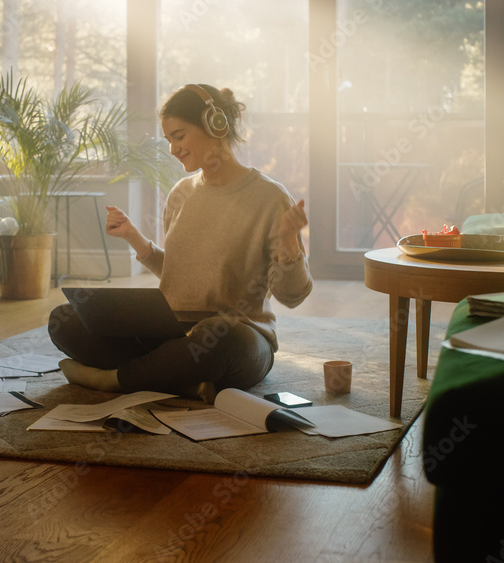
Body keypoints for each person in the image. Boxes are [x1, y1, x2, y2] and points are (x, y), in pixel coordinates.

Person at [48, 83, 313, 402]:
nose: (173, 149)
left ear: (215, 125)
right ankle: (178, 380)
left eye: (179, 135)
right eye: (168, 139)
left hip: (239, 339)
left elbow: (293, 296)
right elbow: (181, 275)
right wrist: (135, 238)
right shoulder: (181, 194)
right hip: (170, 336)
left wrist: (289, 244)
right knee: (66, 320)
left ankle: (113, 380)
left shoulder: (270, 197)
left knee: (217, 337)